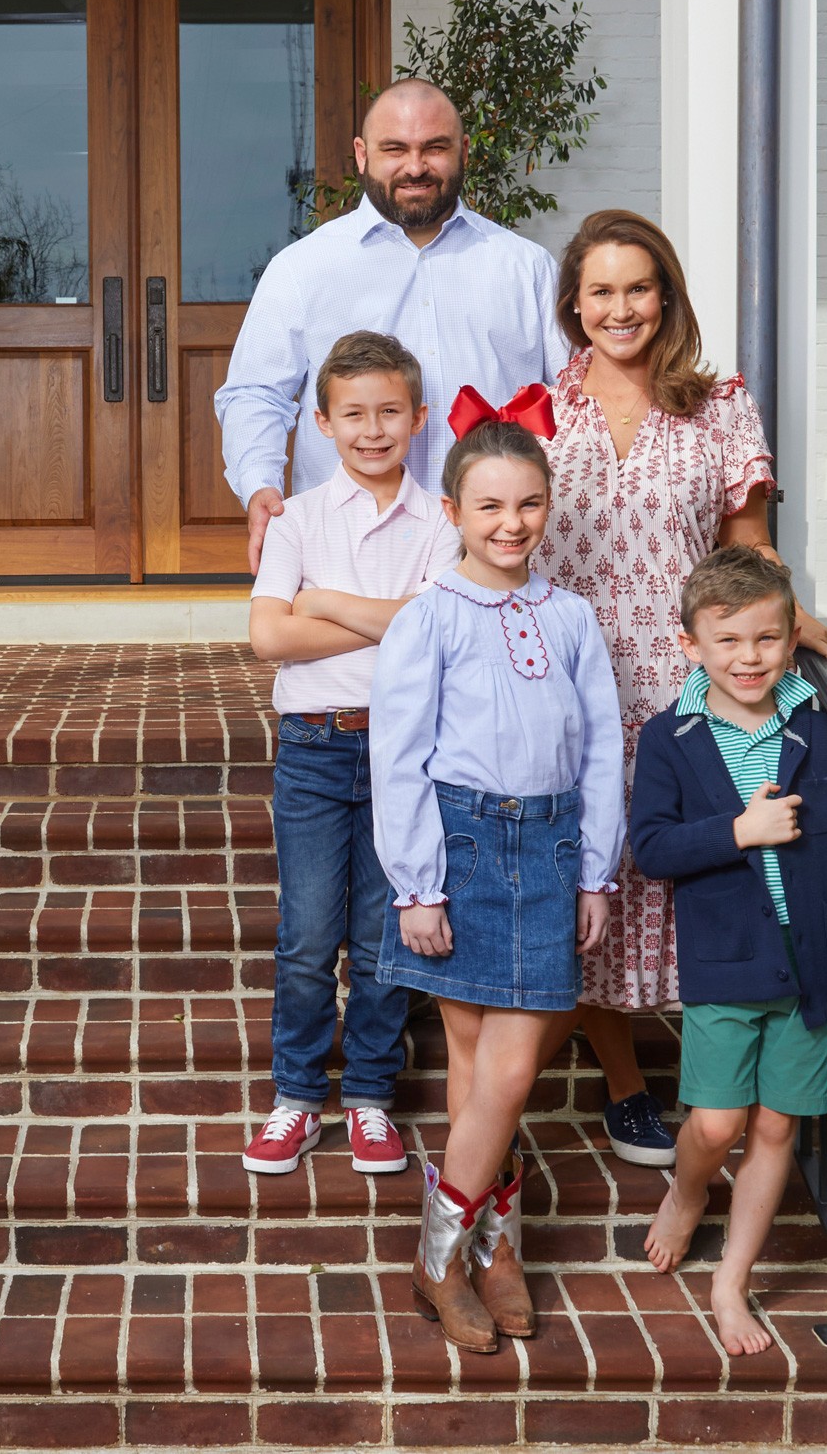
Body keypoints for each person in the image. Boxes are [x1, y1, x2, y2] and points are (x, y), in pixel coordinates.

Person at [536, 208, 827, 1170]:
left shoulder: (719, 405)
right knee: (592, 892)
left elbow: (746, 547)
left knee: (705, 884)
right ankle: (626, 1088)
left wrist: (789, 617)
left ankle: (722, 1088)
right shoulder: (538, 408)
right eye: (600, 292)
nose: (619, 309)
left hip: (686, 694)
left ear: (664, 296)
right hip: (572, 689)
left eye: (637, 288)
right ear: (573, 305)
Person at [370, 398, 625, 1353]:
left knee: (506, 1073)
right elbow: (398, 758)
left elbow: (600, 749)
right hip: (465, 844)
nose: (510, 524)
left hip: (552, 847)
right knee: (481, 1069)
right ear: (453, 514)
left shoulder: (569, 618)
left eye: (527, 504)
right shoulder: (429, 620)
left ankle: (450, 1253)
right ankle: (483, 1252)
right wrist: (418, 885)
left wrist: (596, 871)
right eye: (489, 507)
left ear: (548, 506)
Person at [630, 546, 827, 1355]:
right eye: (727, 642)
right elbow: (651, 847)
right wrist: (738, 830)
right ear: (692, 645)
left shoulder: (822, 725)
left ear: (792, 638)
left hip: (812, 973)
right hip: (726, 964)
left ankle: (732, 1284)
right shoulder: (671, 737)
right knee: (717, 1124)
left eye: (765, 639)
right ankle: (688, 1193)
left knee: (776, 1130)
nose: (748, 658)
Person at [244, 331, 459, 1176]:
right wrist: (389, 617)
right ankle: (296, 1096)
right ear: (322, 424)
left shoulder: (442, 521)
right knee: (307, 936)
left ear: (418, 417)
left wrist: (324, 604)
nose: (373, 430)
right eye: (354, 414)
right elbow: (268, 635)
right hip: (314, 751)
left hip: (406, 756)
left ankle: (369, 1096)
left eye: (390, 413)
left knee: (380, 936)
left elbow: (434, 632)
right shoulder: (295, 519)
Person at [215, 79, 566, 574]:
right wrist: (260, 486)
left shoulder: (527, 269)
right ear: (362, 155)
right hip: (347, 555)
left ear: (464, 150)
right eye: (395, 149)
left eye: (435, 148)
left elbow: (576, 400)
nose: (415, 166)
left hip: (495, 557)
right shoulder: (302, 269)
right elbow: (255, 395)